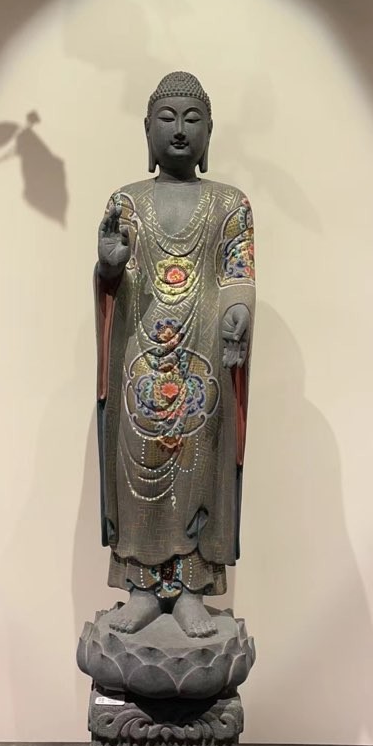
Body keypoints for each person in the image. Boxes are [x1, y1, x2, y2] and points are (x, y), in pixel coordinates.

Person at [95, 71, 255, 638]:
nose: (180, 129)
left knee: (197, 471)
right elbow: (110, 278)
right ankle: (141, 588)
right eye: (167, 118)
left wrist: (239, 310)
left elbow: (238, 272)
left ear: (210, 131)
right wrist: (109, 264)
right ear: (147, 130)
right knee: (135, 466)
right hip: (140, 361)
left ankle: (190, 590)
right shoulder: (126, 203)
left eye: (193, 119)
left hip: (201, 363)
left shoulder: (230, 204)